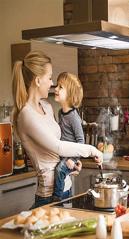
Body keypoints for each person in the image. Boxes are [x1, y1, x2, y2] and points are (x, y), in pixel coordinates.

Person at [12, 51, 103, 208]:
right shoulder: (26, 115)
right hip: (48, 195)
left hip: (67, 188)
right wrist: (92, 150)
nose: (51, 82)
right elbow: (57, 146)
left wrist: (72, 164)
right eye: (49, 77)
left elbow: (60, 147)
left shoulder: (47, 107)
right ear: (38, 81)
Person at [52, 72, 85, 201]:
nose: (55, 89)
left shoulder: (73, 117)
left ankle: (57, 198)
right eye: (57, 85)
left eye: (60, 87)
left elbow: (80, 141)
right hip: (63, 155)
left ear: (70, 95)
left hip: (70, 157)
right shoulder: (60, 113)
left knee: (60, 169)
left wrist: (73, 159)